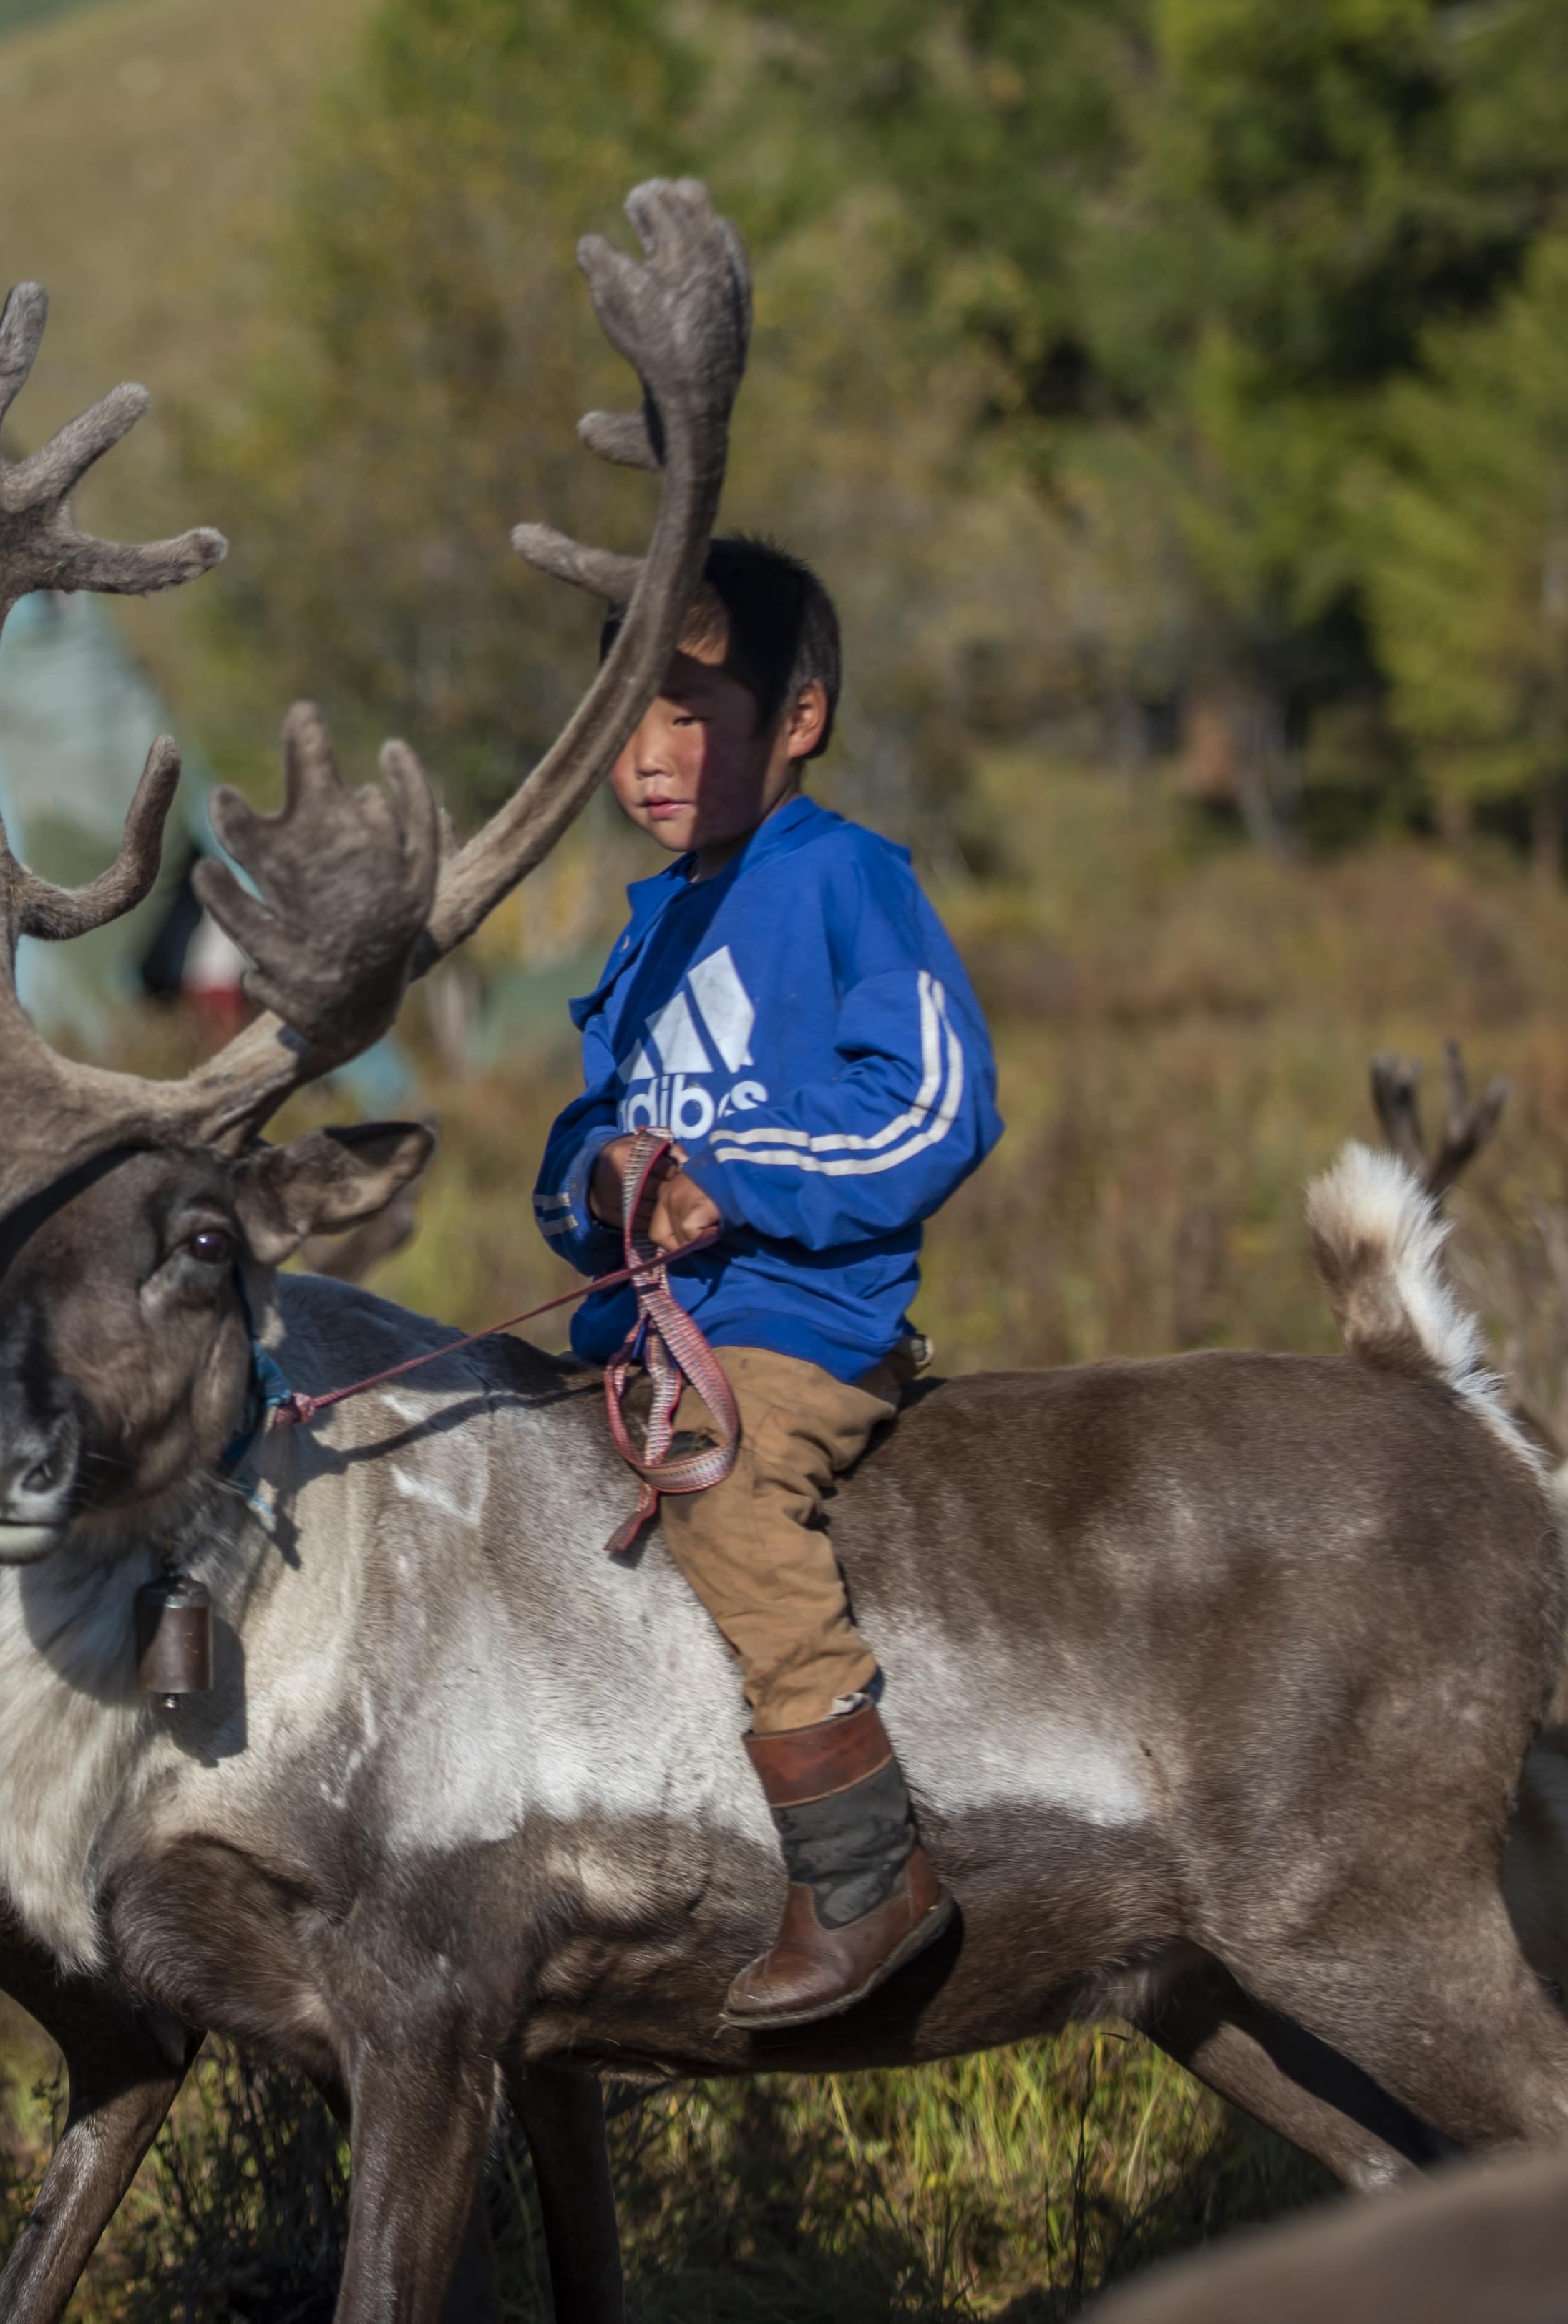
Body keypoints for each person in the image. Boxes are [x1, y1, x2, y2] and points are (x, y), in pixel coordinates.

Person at [532, 535, 1000, 2024]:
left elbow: (938, 1104)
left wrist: (732, 1181)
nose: (648, 757)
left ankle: (864, 1863)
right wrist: (609, 1178)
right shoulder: (650, 923)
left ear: (795, 720)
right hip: (661, 1330)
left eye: (688, 715)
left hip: (803, 1319)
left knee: (727, 1501)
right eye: (624, 719)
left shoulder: (848, 879)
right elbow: (588, 1133)